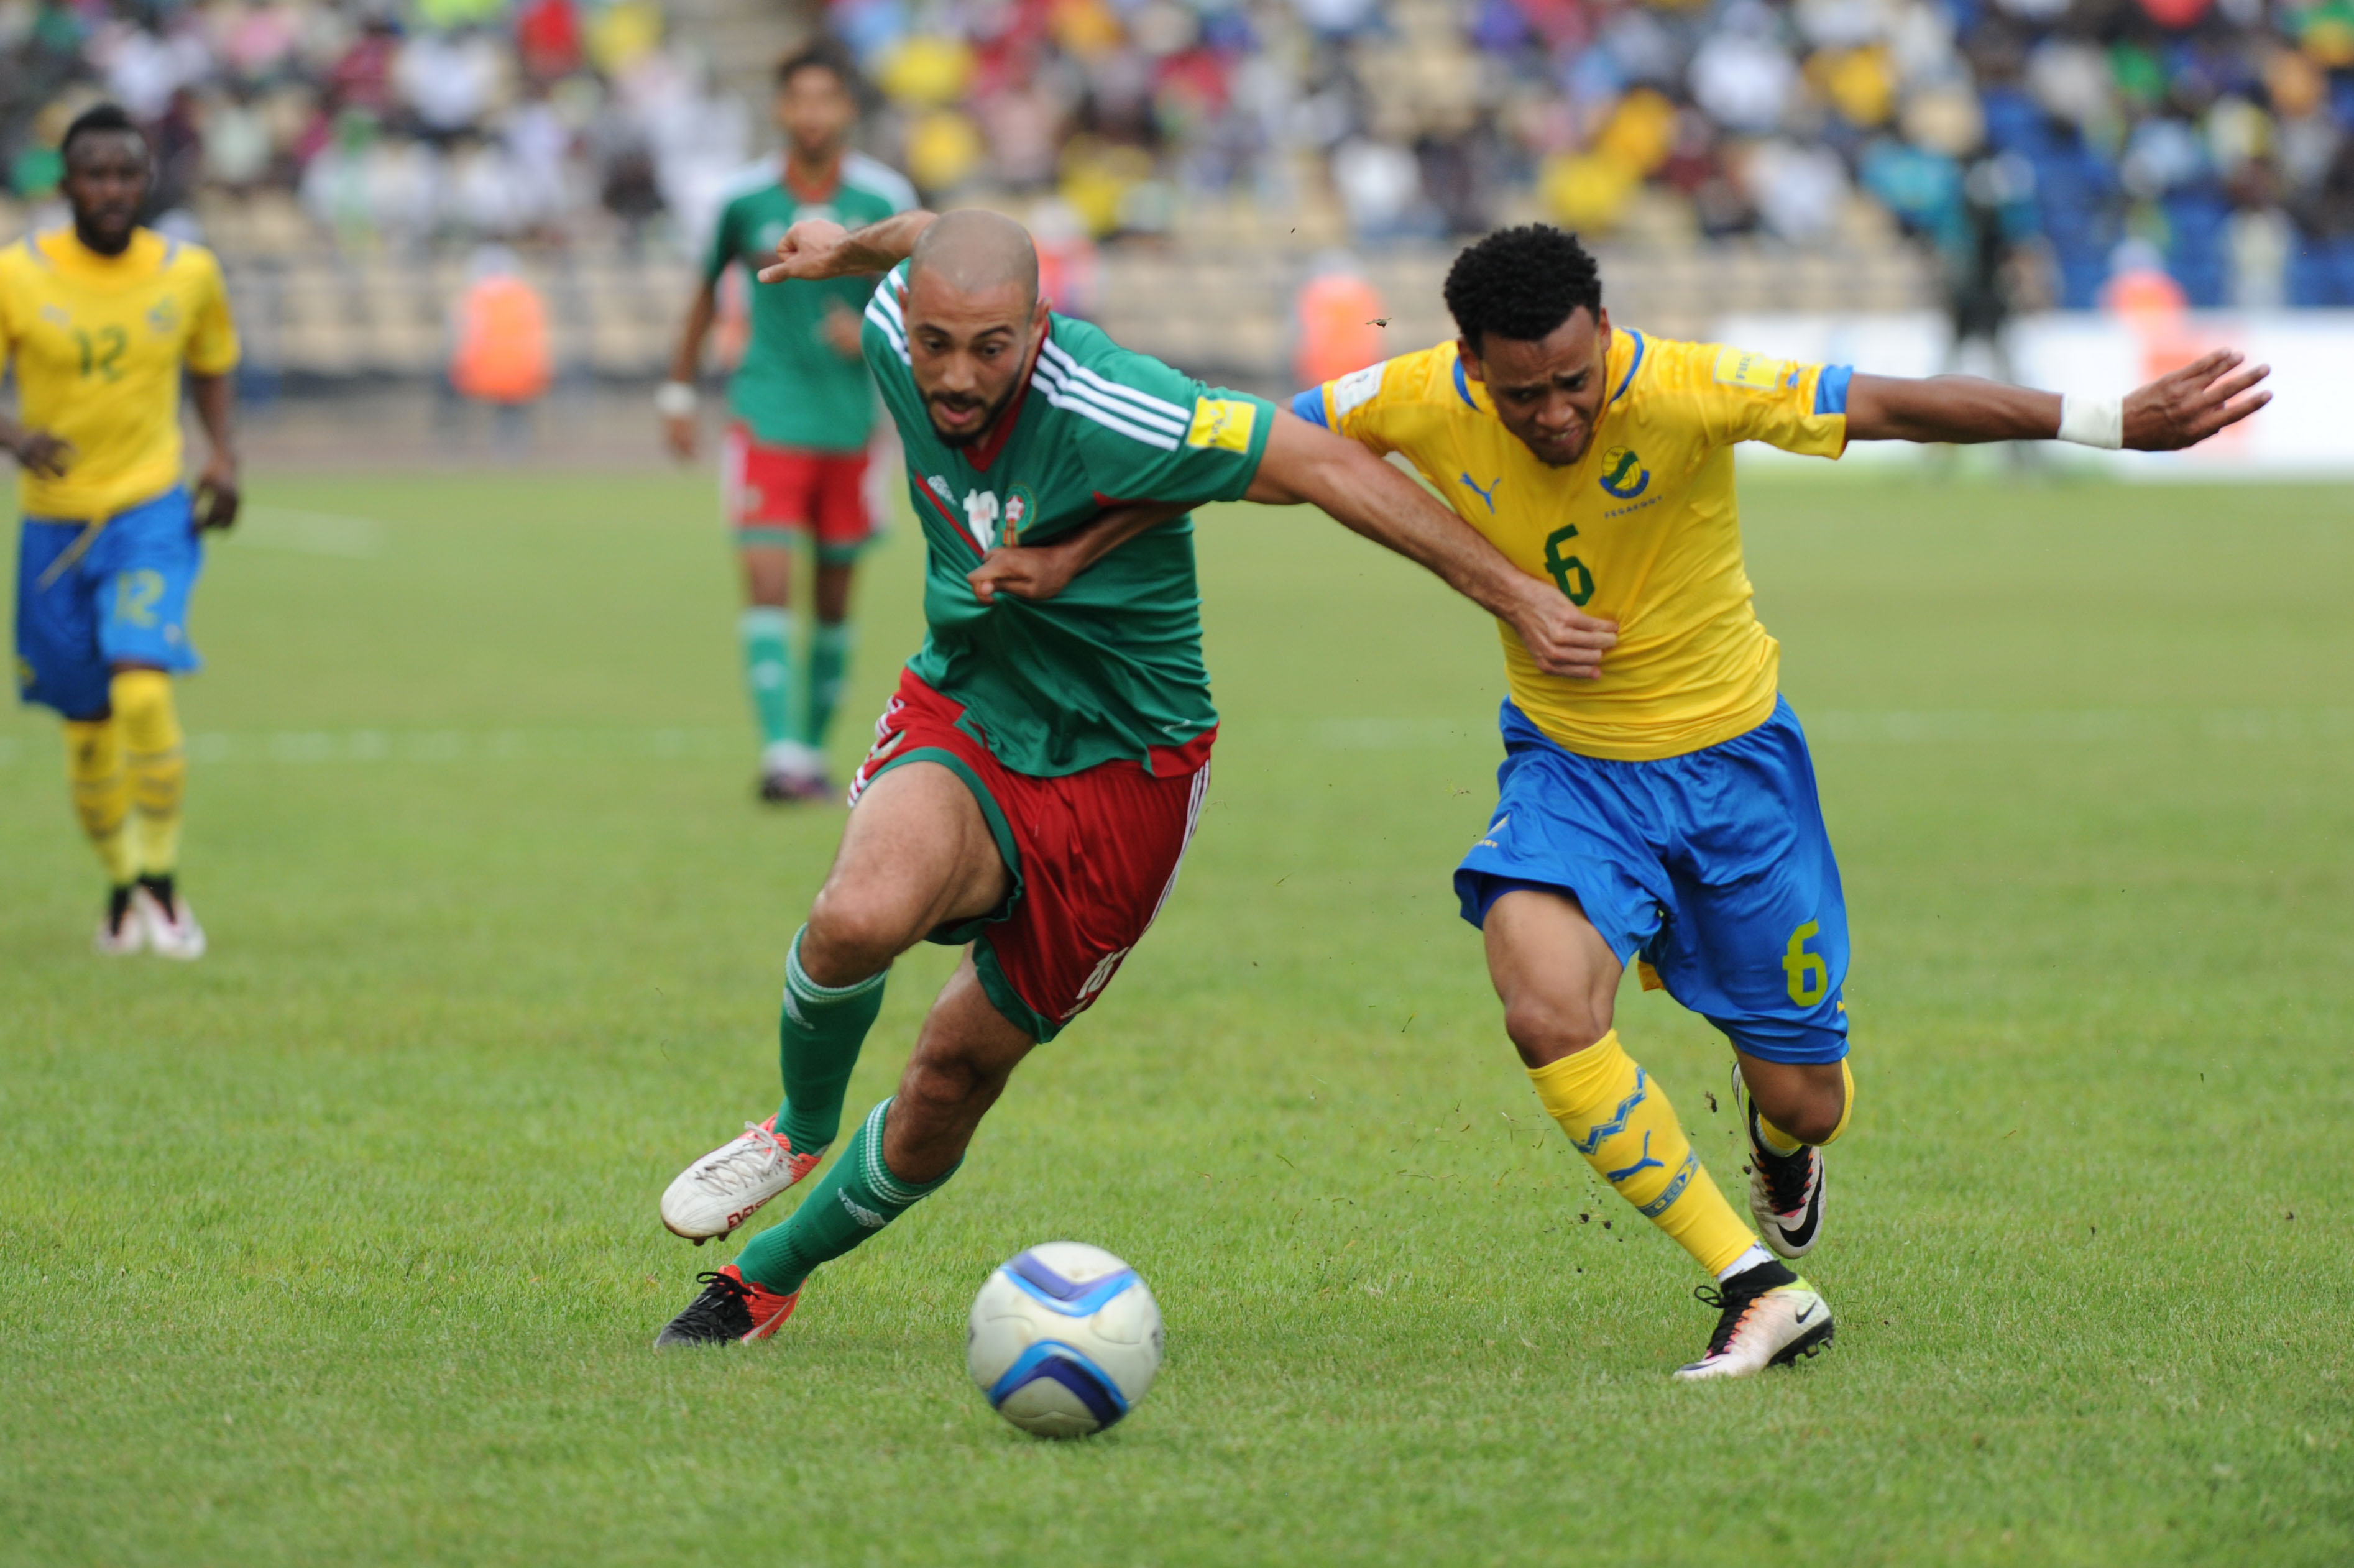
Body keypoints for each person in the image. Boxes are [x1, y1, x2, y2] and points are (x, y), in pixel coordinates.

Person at [1267, 224, 2266, 1377]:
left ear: (1606, 335)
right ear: (1469, 363)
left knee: (1809, 1095)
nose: (1551, 414)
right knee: (1542, 1001)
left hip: (1735, 778)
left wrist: (2103, 422)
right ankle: (1756, 1284)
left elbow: (1889, 402)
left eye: (1573, 384)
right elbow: (1250, 445)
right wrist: (1066, 534)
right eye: (1520, 393)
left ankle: (1778, 1139)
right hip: (1570, 769)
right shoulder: (1412, 394)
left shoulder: (1690, 386)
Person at [648, 208, 1611, 1348]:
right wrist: (854, 246)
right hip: (973, 703)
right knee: (857, 912)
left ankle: (766, 1275)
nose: (957, 376)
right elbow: (931, 239)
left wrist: (1517, 595)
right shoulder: (888, 328)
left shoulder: (1114, 398)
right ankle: (796, 1127)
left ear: (1038, 328)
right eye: (937, 343)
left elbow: (1316, 463)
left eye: (992, 347)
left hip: (1127, 769)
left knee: (950, 1076)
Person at [2, 103, 242, 960]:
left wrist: (223, 458)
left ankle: (165, 883)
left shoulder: (188, 272)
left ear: (146, 181)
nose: (109, 189)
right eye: (92, 174)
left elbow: (212, 363)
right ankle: (117, 881)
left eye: (123, 173)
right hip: (53, 529)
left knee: (144, 687)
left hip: (149, 508)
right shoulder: (18, 274)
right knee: (88, 724)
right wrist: (14, 434)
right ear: (65, 184)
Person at [659, 42, 916, 802]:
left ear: (846, 110)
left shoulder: (883, 197)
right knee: (767, 580)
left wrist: (871, 321)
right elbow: (705, 292)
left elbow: (920, 300)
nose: (811, 114)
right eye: (798, 100)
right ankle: (782, 757)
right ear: (780, 108)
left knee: (834, 599)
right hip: (766, 414)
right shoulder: (743, 200)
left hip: (849, 426)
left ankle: (810, 748)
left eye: (825, 100)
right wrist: (678, 393)